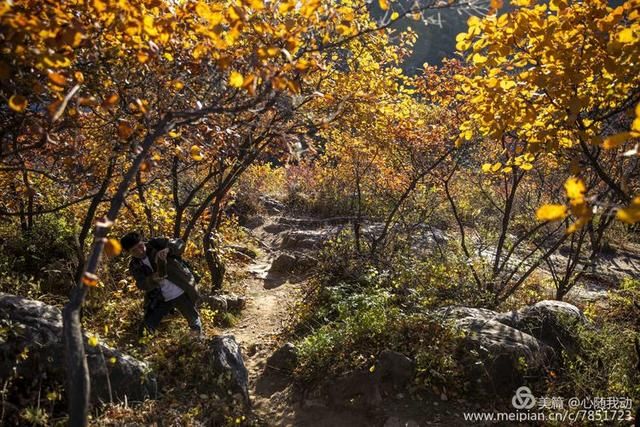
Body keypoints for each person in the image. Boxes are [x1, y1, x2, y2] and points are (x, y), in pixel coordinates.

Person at [120, 231, 203, 337]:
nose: (140, 251)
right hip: (160, 298)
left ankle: (196, 344)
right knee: (146, 328)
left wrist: (168, 249)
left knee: (194, 321)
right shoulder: (134, 265)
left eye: (140, 246)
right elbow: (141, 285)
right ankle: (143, 348)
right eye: (134, 250)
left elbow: (180, 243)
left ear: (143, 242)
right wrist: (152, 279)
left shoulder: (156, 244)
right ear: (129, 252)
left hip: (181, 289)